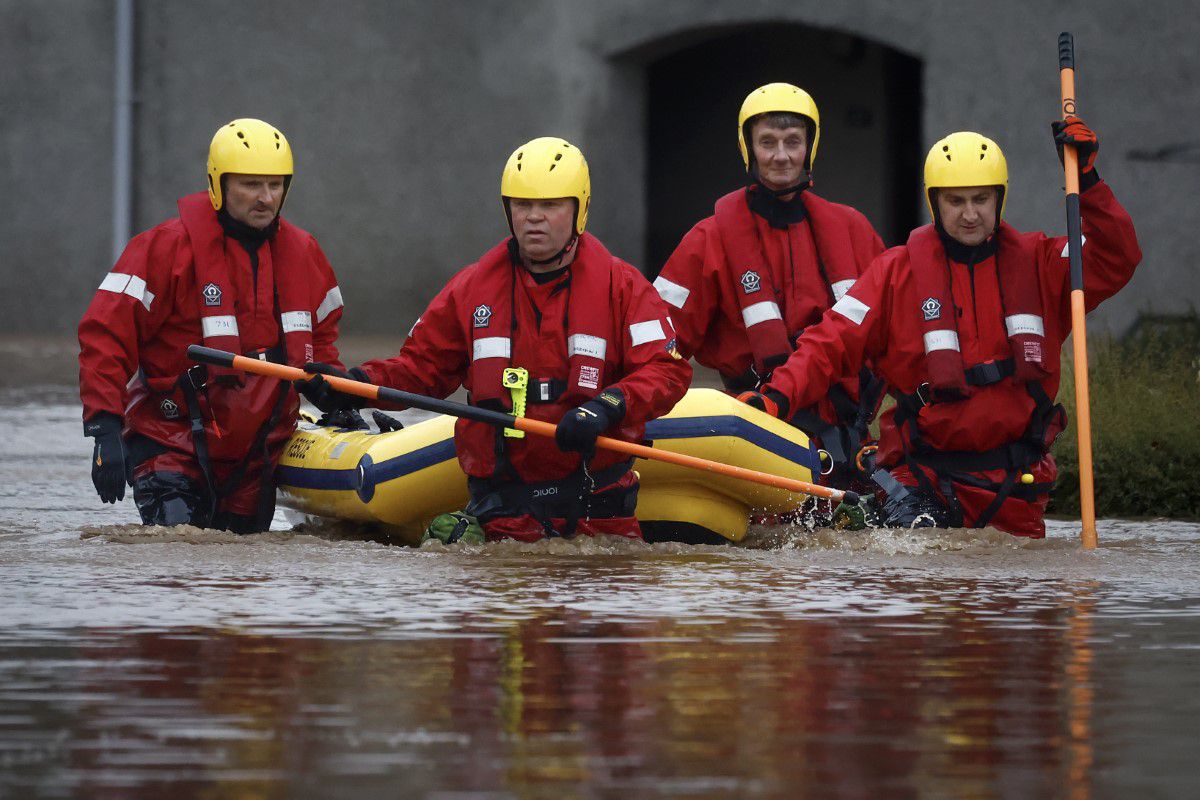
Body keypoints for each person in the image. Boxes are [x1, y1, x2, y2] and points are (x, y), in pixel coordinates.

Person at [739, 118, 1141, 537]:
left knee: (1019, 593)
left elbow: (1117, 255)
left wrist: (1088, 180)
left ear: (999, 199)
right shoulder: (895, 274)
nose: (970, 214)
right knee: (915, 559)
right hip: (924, 479)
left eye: (981, 199)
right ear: (935, 203)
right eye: (955, 201)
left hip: (1014, 486)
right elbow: (829, 342)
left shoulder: (1043, 263)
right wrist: (773, 400)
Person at [301, 137, 691, 542]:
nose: (534, 218)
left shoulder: (623, 287)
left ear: (579, 209)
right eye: (523, 206)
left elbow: (667, 370)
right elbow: (421, 369)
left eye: (550, 206)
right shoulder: (472, 289)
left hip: (599, 512)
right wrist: (352, 386)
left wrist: (605, 407)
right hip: (504, 516)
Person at [78, 118, 345, 533]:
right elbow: (106, 334)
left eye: (275, 185)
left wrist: (333, 389)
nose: (265, 198)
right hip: (170, 443)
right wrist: (104, 428)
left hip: (255, 456)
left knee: (242, 580)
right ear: (218, 184)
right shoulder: (164, 248)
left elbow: (323, 334)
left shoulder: (304, 253)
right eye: (251, 185)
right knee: (183, 564)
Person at [653, 83, 886, 486]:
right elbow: (656, 345)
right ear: (749, 148)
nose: (781, 156)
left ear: (810, 147)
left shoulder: (853, 230)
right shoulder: (708, 240)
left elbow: (897, 343)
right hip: (757, 433)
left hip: (848, 439)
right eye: (768, 142)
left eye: (793, 142)